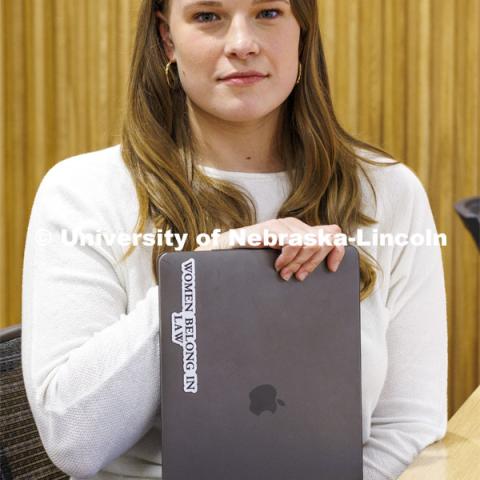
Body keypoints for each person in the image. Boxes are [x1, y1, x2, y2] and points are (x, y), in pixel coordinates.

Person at [21, 0, 447, 479]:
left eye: (268, 13)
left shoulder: (388, 191)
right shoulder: (83, 192)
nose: (243, 44)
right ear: (167, 38)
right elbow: (73, 441)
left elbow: (407, 423)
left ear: (302, 32)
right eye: (208, 16)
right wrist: (202, 280)